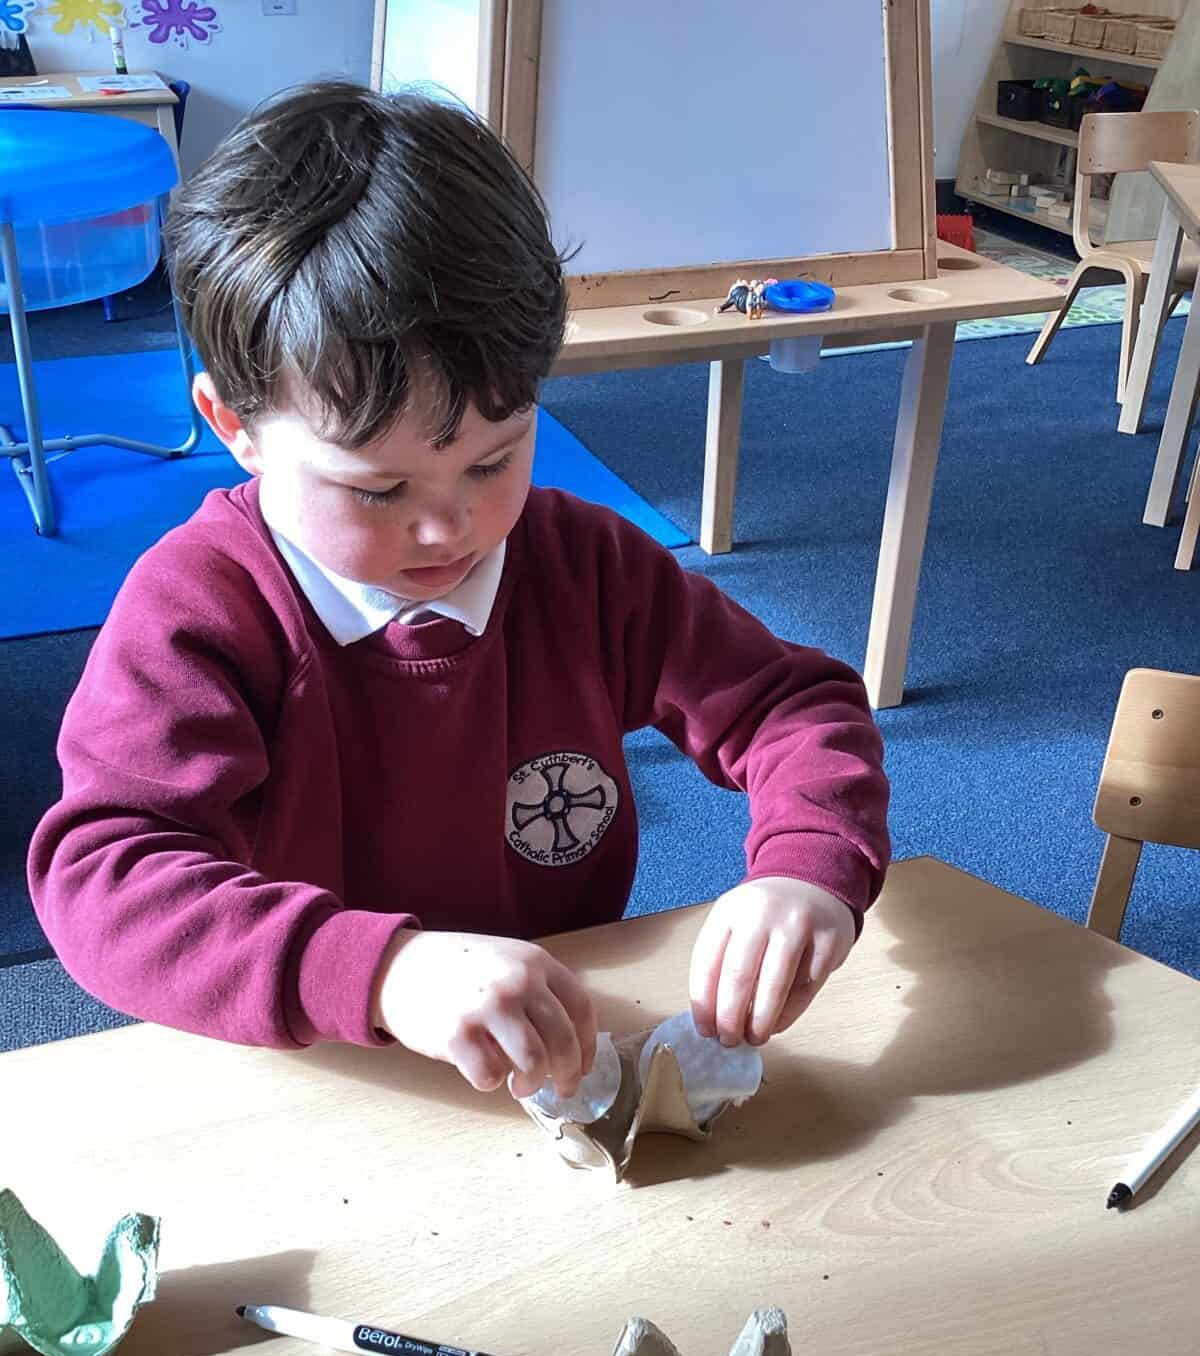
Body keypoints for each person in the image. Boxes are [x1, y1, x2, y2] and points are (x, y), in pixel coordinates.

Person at [28, 81, 889, 1104]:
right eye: (378, 489)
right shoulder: (202, 607)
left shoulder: (582, 565)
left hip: (546, 1044)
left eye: (494, 459)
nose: (450, 529)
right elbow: (105, 879)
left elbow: (791, 705)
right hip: (320, 1068)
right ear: (235, 428)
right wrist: (382, 973)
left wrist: (805, 863)